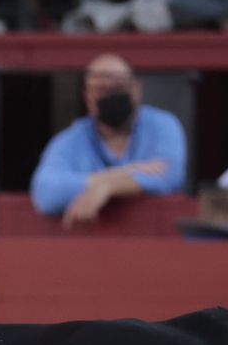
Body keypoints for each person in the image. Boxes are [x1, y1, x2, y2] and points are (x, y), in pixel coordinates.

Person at [29, 53, 186, 223]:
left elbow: (170, 176)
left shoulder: (162, 125)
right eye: (101, 90)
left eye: (118, 88)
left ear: (136, 89)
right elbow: (45, 192)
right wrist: (123, 172)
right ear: (88, 97)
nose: (110, 97)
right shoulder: (71, 139)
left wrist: (107, 186)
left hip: (156, 242)